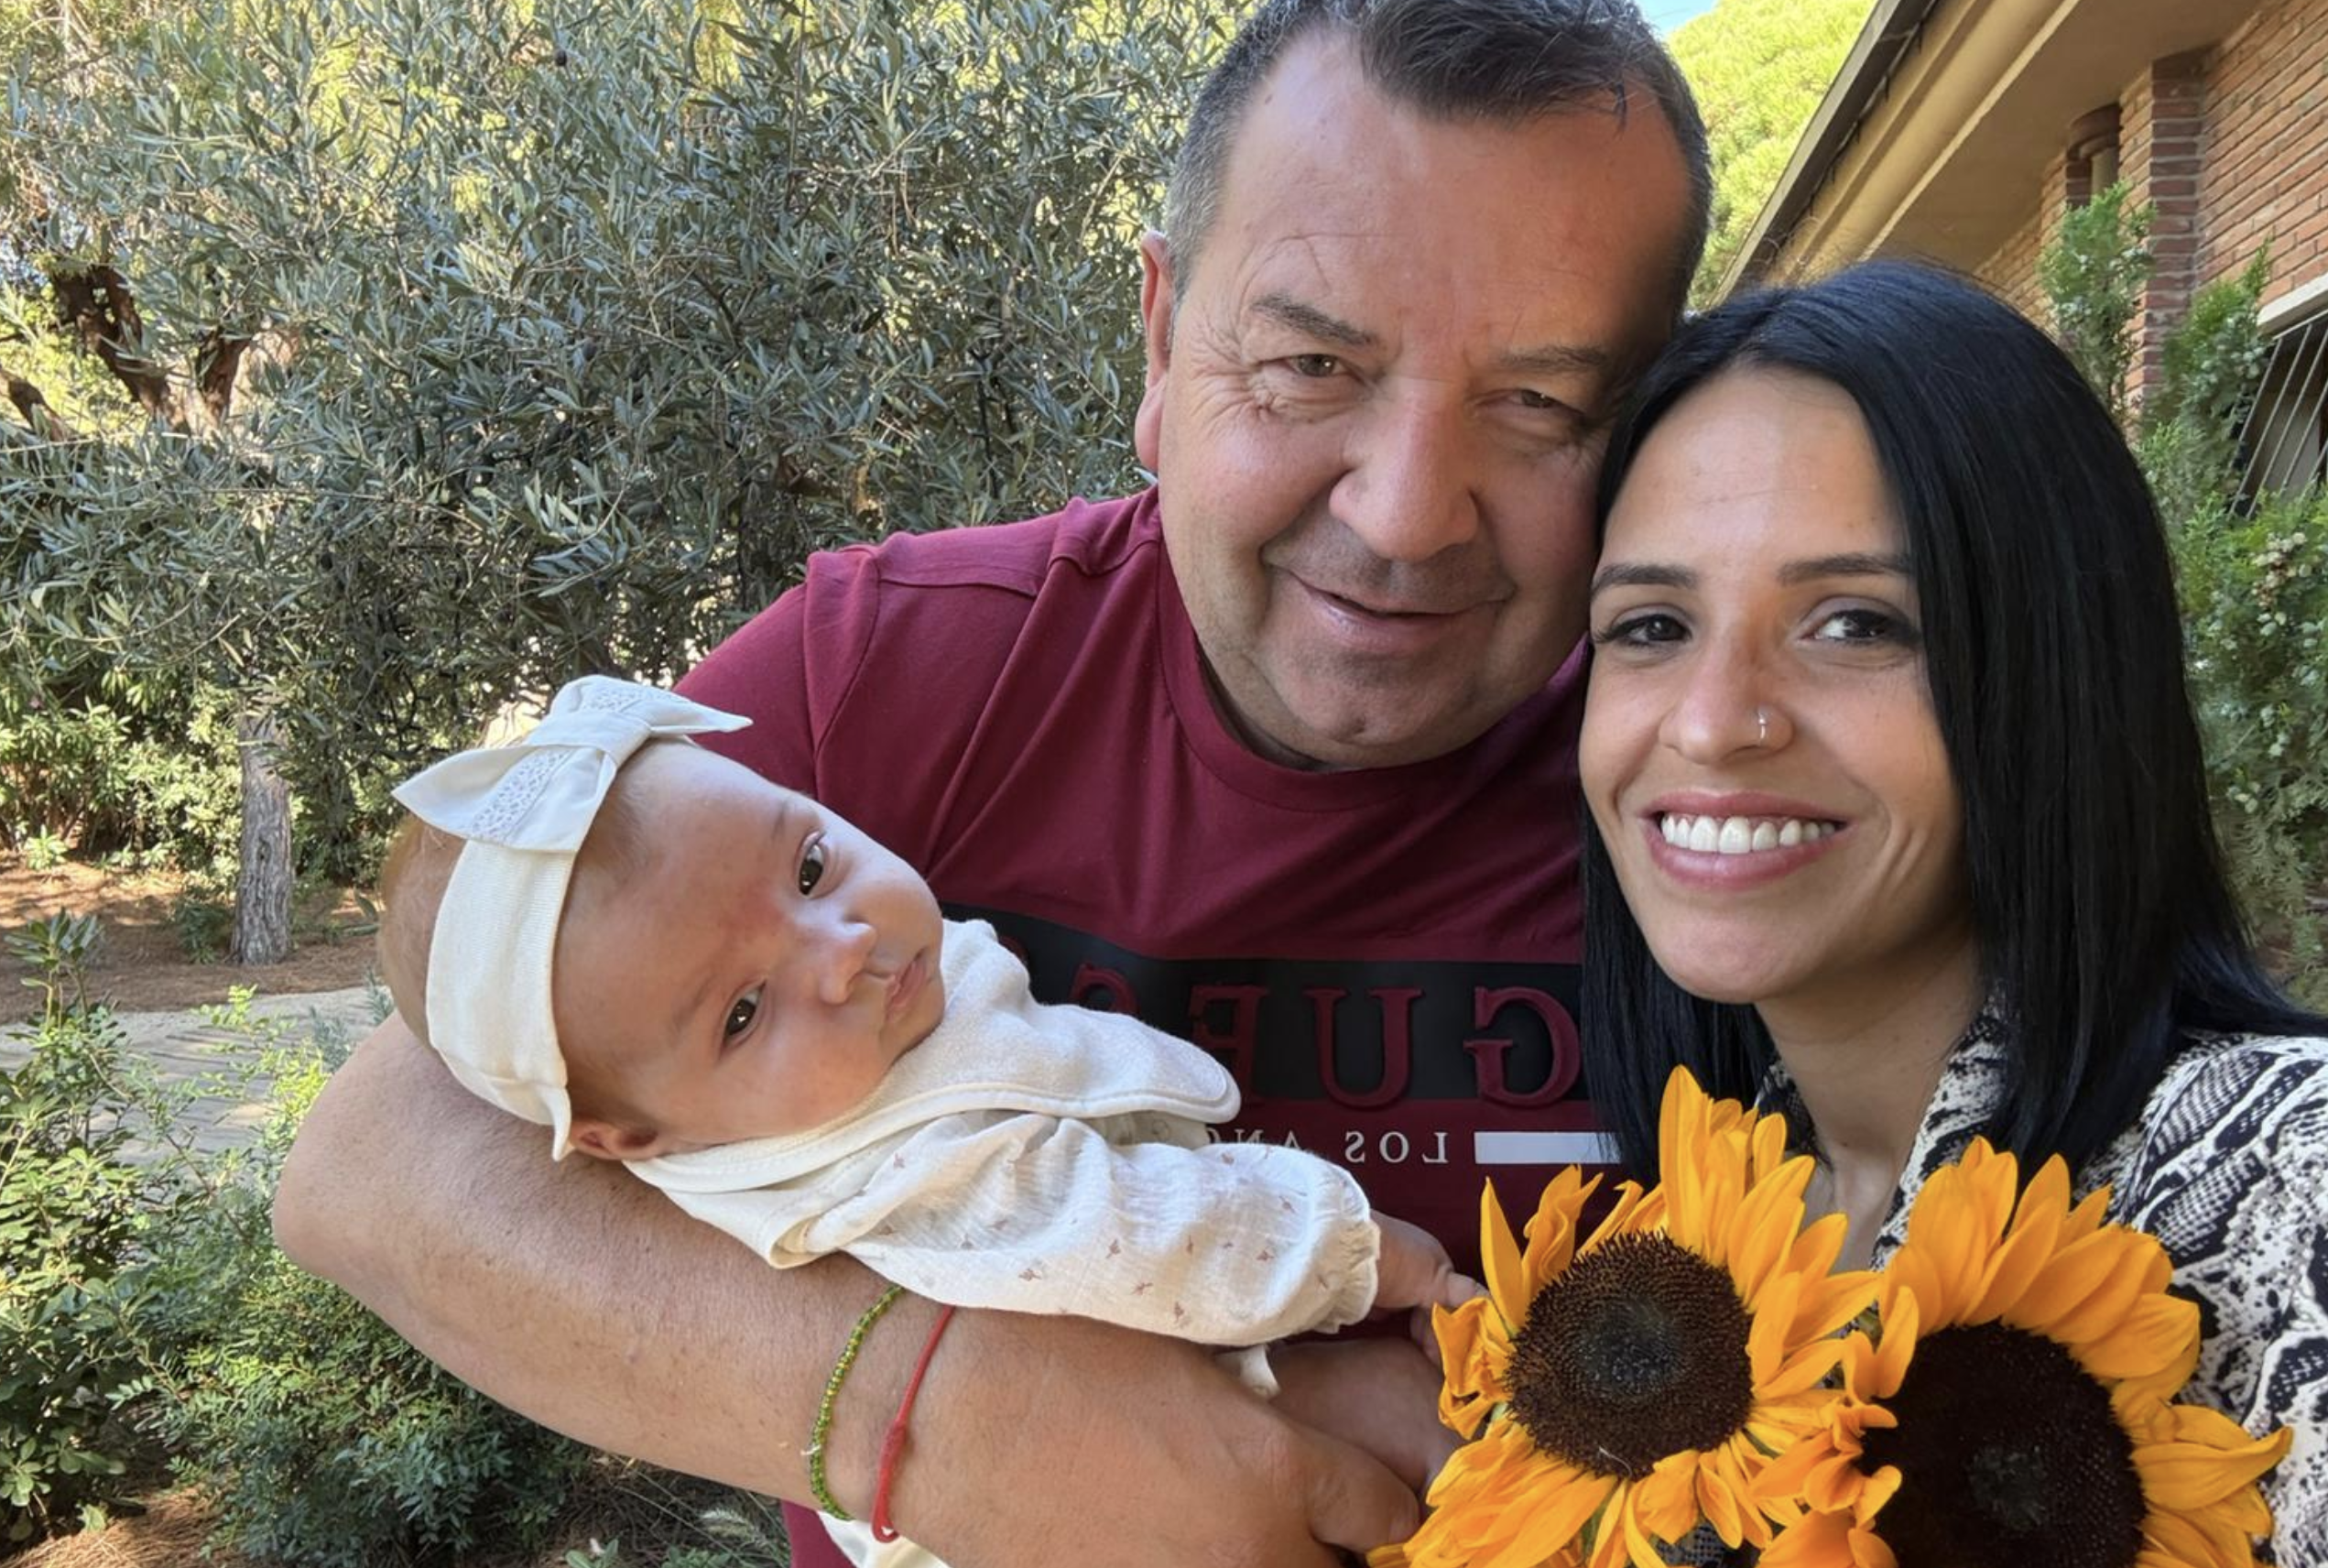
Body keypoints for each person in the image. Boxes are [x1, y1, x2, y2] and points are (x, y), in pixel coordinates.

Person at [270, 3, 1713, 1564]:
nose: (1411, 511)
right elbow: (373, 1169)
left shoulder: (1724, 787)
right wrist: (953, 1424)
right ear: (1160, 341)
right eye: (1310, 364)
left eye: (1543, 405)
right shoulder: (891, 672)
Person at [1577, 259, 2328, 1561]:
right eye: (1649, 624)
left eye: (1856, 624)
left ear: (2056, 666)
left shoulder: (2288, 1191)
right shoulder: (1679, 1244)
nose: (1708, 722)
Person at [378, 675, 1473, 1568]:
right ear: (632, 1137)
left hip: (1154, 1384)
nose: (843, 942)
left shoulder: (823, 1056)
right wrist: (1367, 1256)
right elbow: (1131, 1236)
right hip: (1095, 1480)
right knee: (1420, 1433)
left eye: (808, 863)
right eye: (744, 1012)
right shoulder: (895, 1166)